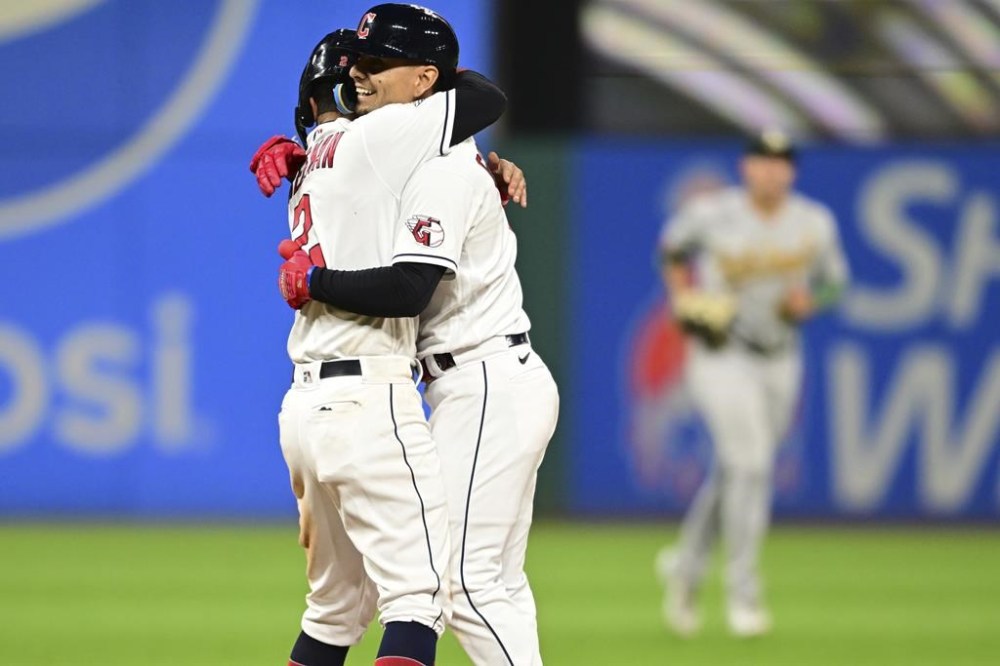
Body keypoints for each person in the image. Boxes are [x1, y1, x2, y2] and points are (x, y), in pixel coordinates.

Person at [270, 6, 559, 664]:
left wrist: (315, 275)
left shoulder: (434, 158)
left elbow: (408, 287)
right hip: (451, 382)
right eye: (353, 68)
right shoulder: (404, 152)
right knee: (470, 584)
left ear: (427, 81)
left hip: (485, 377)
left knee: (460, 584)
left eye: (375, 65)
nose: (359, 77)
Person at [655, 129, 849, 638]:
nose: (771, 169)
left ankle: (686, 568)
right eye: (762, 159)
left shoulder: (814, 221)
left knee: (735, 470)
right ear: (746, 167)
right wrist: (682, 297)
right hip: (722, 351)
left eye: (781, 161)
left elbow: (835, 281)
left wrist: (814, 300)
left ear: (792, 171)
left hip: (781, 356)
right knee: (752, 465)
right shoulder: (713, 213)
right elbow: (672, 248)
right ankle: (743, 592)